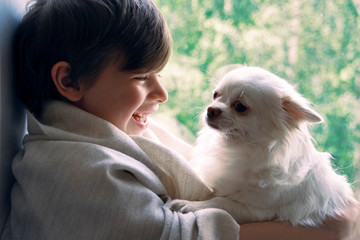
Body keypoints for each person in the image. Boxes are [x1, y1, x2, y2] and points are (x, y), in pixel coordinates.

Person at [5, 0, 356, 239]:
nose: (162, 92)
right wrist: (325, 231)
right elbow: (177, 234)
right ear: (69, 82)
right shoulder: (72, 171)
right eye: (142, 77)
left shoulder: (120, 132)